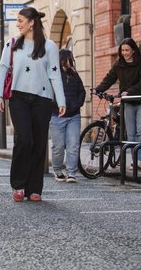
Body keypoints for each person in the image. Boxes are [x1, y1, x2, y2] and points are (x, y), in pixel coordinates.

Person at [0, 7, 65, 203]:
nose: (17, 24)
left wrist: (61, 100)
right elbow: (2, 70)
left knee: (39, 142)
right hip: (18, 98)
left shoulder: (49, 46)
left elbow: (54, 74)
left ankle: (35, 188)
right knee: (24, 139)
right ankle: (18, 184)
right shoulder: (13, 44)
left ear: (31, 22)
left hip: (42, 99)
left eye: (20, 20)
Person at [94, 37, 141, 169]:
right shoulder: (119, 64)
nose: (125, 53)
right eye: (123, 50)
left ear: (134, 50)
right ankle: (135, 159)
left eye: (127, 50)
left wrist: (129, 91)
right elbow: (109, 78)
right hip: (128, 102)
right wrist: (98, 89)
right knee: (130, 132)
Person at [50, 49, 85, 183]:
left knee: (73, 145)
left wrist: (76, 105)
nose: (71, 62)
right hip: (57, 116)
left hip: (73, 117)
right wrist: (56, 106)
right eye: (69, 59)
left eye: (72, 59)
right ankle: (58, 170)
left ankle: (71, 173)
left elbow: (82, 93)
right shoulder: (54, 75)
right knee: (58, 146)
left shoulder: (75, 76)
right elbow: (50, 94)